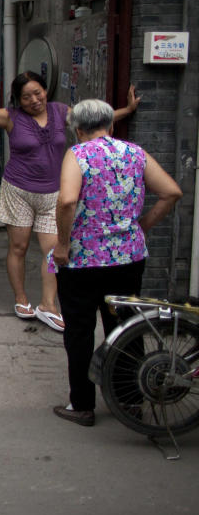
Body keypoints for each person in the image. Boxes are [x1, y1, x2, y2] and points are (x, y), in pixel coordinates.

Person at [0, 61, 139, 332]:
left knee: (53, 251)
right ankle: (20, 298)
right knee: (18, 247)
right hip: (17, 191)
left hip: (53, 193)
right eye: (26, 96)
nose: (34, 100)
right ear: (18, 99)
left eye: (37, 92)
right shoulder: (11, 117)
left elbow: (93, 121)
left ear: (45, 90)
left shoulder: (61, 112)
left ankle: (48, 305)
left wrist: (127, 110)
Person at [50, 99, 181, 426]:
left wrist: (62, 245)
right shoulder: (136, 153)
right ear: (110, 125)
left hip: (83, 260)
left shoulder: (77, 155)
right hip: (128, 258)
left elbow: (67, 201)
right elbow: (171, 192)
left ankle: (81, 405)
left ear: (78, 130)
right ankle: (130, 401)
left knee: (79, 331)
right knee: (126, 328)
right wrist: (142, 226)